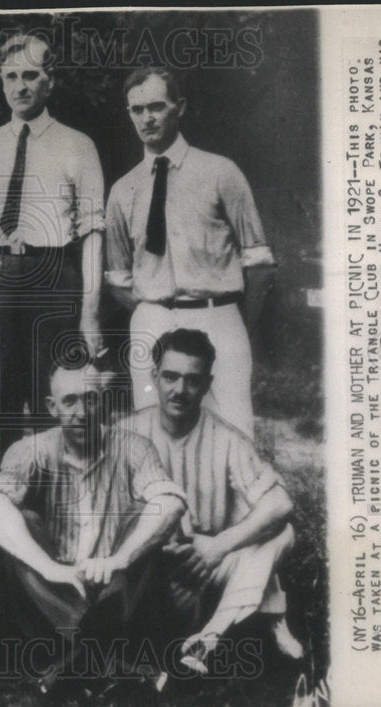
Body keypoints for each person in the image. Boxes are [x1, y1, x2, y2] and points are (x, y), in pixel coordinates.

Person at [0, 34, 106, 475]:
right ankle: (0, 507)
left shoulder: (78, 145)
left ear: (49, 82)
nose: (20, 86)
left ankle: (55, 507)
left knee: (53, 397)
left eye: (31, 75)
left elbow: (93, 234)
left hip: (54, 275)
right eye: (11, 76)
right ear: (1, 82)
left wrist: (90, 316)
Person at [0, 360, 186, 680]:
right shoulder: (30, 450)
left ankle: (73, 659)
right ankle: (103, 655)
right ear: (52, 407)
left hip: (113, 583)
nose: (81, 411)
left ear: (102, 400)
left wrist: (119, 559)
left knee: (143, 516)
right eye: (69, 400)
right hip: (52, 586)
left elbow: (171, 503)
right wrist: (51, 568)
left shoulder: (134, 447)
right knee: (24, 521)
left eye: (90, 399)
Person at [105, 67, 276, 439]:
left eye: (156, 106)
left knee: (232, 432)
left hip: (218, 316)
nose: (147, 118)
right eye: (137, 110)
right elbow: (118, 278)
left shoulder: (220, 173)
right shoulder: (123, 190)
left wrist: (235, 322)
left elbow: (259, 262)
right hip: (152, 322)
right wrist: (153, 311)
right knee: (152, 434)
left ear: (178, 107)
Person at [119, 328, 302, 673]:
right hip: (150, 569)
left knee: (282, 532)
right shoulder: (127, 433)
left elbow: (281, 504)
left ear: (207, 384)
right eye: (170, 377)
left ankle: (207, 639)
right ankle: (254, 613)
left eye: (192, 380)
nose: (179, 390)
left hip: (207, 562)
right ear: (154, 377)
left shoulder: (227, 438)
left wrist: (217, 546)